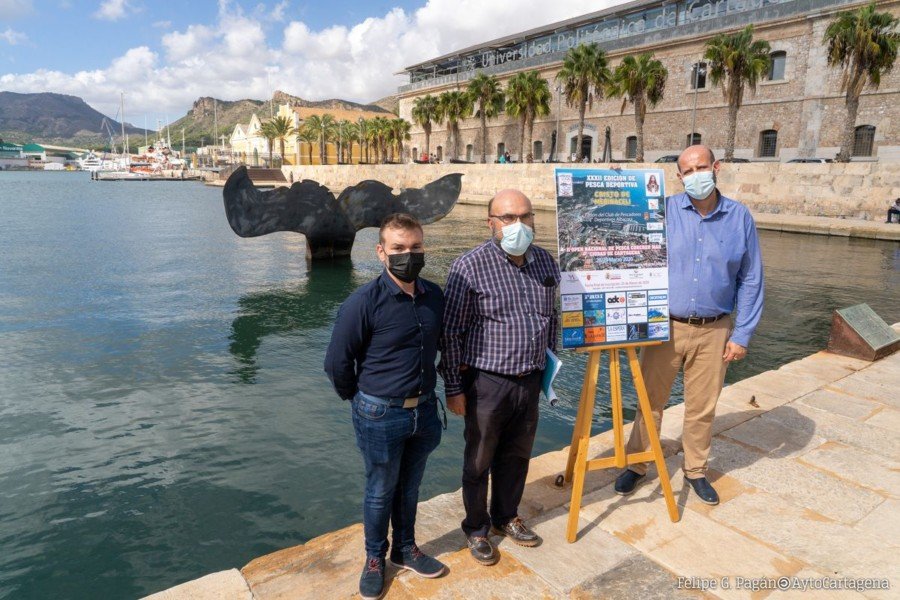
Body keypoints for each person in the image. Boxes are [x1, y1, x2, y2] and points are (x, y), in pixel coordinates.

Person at [614, 145, 764, 506]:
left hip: (716, 329)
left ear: (716, 168)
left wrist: (741, 334)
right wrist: (617, 185)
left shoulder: (739, 217)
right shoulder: (662, 212)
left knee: (702, 405)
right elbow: (629, 245)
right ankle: (638, 463)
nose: (696, 174)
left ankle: (695, 469)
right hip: (665, 326)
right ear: (679, 177)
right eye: (688, 170)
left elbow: (751, 278)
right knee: (650, 401)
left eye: (702, 167)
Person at [325, 213, 446, 599]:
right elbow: (337, 363)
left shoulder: (435, 297)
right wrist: (361, 400)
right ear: (381, 252)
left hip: (424, 411)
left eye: (414, 248)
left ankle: (405, 548)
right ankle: (374, 558)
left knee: (409, 486)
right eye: (398, 249)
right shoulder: (363, 303)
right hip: (379, 412)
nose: (407, 255)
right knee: (380, 490)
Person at [439, 189, 560, 566]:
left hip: (530, 379)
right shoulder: (468, 266)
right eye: (508, 218)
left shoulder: (545, 262)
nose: (518, 225)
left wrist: (549, 368)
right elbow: (451, 332)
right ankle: (476, 527)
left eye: (525, 217)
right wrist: (455, 389)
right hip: (487, 382)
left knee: (518, 454)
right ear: (490, 222)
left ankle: (506, 516)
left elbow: (551, 318)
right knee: (478, 461)